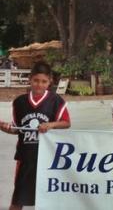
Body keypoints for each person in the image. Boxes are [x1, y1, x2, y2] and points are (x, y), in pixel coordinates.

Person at [0, 61, 71, 209]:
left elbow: (66, 123)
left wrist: (51, 124)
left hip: (48, 158)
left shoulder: (55, 101)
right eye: (36, 80)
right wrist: (4, 127)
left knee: (48, 199)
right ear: (30, 79)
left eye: (44, 81)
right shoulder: (19, 102)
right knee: (18, 199)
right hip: (25, 157)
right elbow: (17, 129)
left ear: (50, 81)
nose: (39, 85)